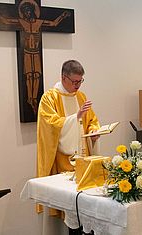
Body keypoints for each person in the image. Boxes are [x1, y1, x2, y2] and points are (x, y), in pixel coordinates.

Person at [36, 60, 100, 216]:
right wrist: (75, 118)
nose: (78, 86)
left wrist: (94, 131)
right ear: (63, 77)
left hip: (83, 157)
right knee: (67, 208)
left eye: (80, 81)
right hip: (62, 160)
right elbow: (50, 125)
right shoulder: (49, 98)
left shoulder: (81, 97)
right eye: (75, 81)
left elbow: (91, 120)